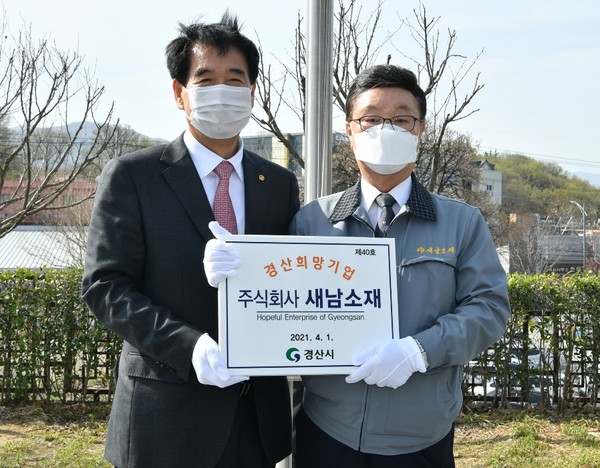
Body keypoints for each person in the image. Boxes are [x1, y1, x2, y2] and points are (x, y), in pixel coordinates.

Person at [204, 63, 510, 466]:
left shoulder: (461, 223)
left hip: (422, 433)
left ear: (421, 129)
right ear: (350, 131)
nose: (386, 130)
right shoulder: (312, 221)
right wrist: (237, 273)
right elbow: (277, 307)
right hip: (327, 427)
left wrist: (419, 350)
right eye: (370, 119)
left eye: (402, 119)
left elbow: (488, 310)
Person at [81, 12, 299, 468]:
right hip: (166, 417)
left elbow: (291, 280)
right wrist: (191, 346)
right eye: (206, 78)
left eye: (235, 79)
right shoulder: (134, 176)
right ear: (180, 93)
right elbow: (106, 287)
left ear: (252, 92)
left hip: (257, 420)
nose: (222, 90)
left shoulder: (277, 184)